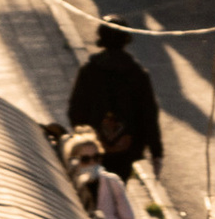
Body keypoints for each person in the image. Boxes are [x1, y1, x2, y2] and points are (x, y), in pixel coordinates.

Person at [69, 22, 164, 180]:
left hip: (94, 147)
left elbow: (75, 110)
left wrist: (83, 139)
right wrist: (156, 153)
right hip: (126, 149)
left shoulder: (89, 71)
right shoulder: (138, 75)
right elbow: (149, 116)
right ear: (125, 41)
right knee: (118, 186)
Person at [62, 127, 137, 219]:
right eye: (85, 159)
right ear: (74, 161)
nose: (92, 163)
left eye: (96, 157)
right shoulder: (69, 187)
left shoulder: (112, 181)